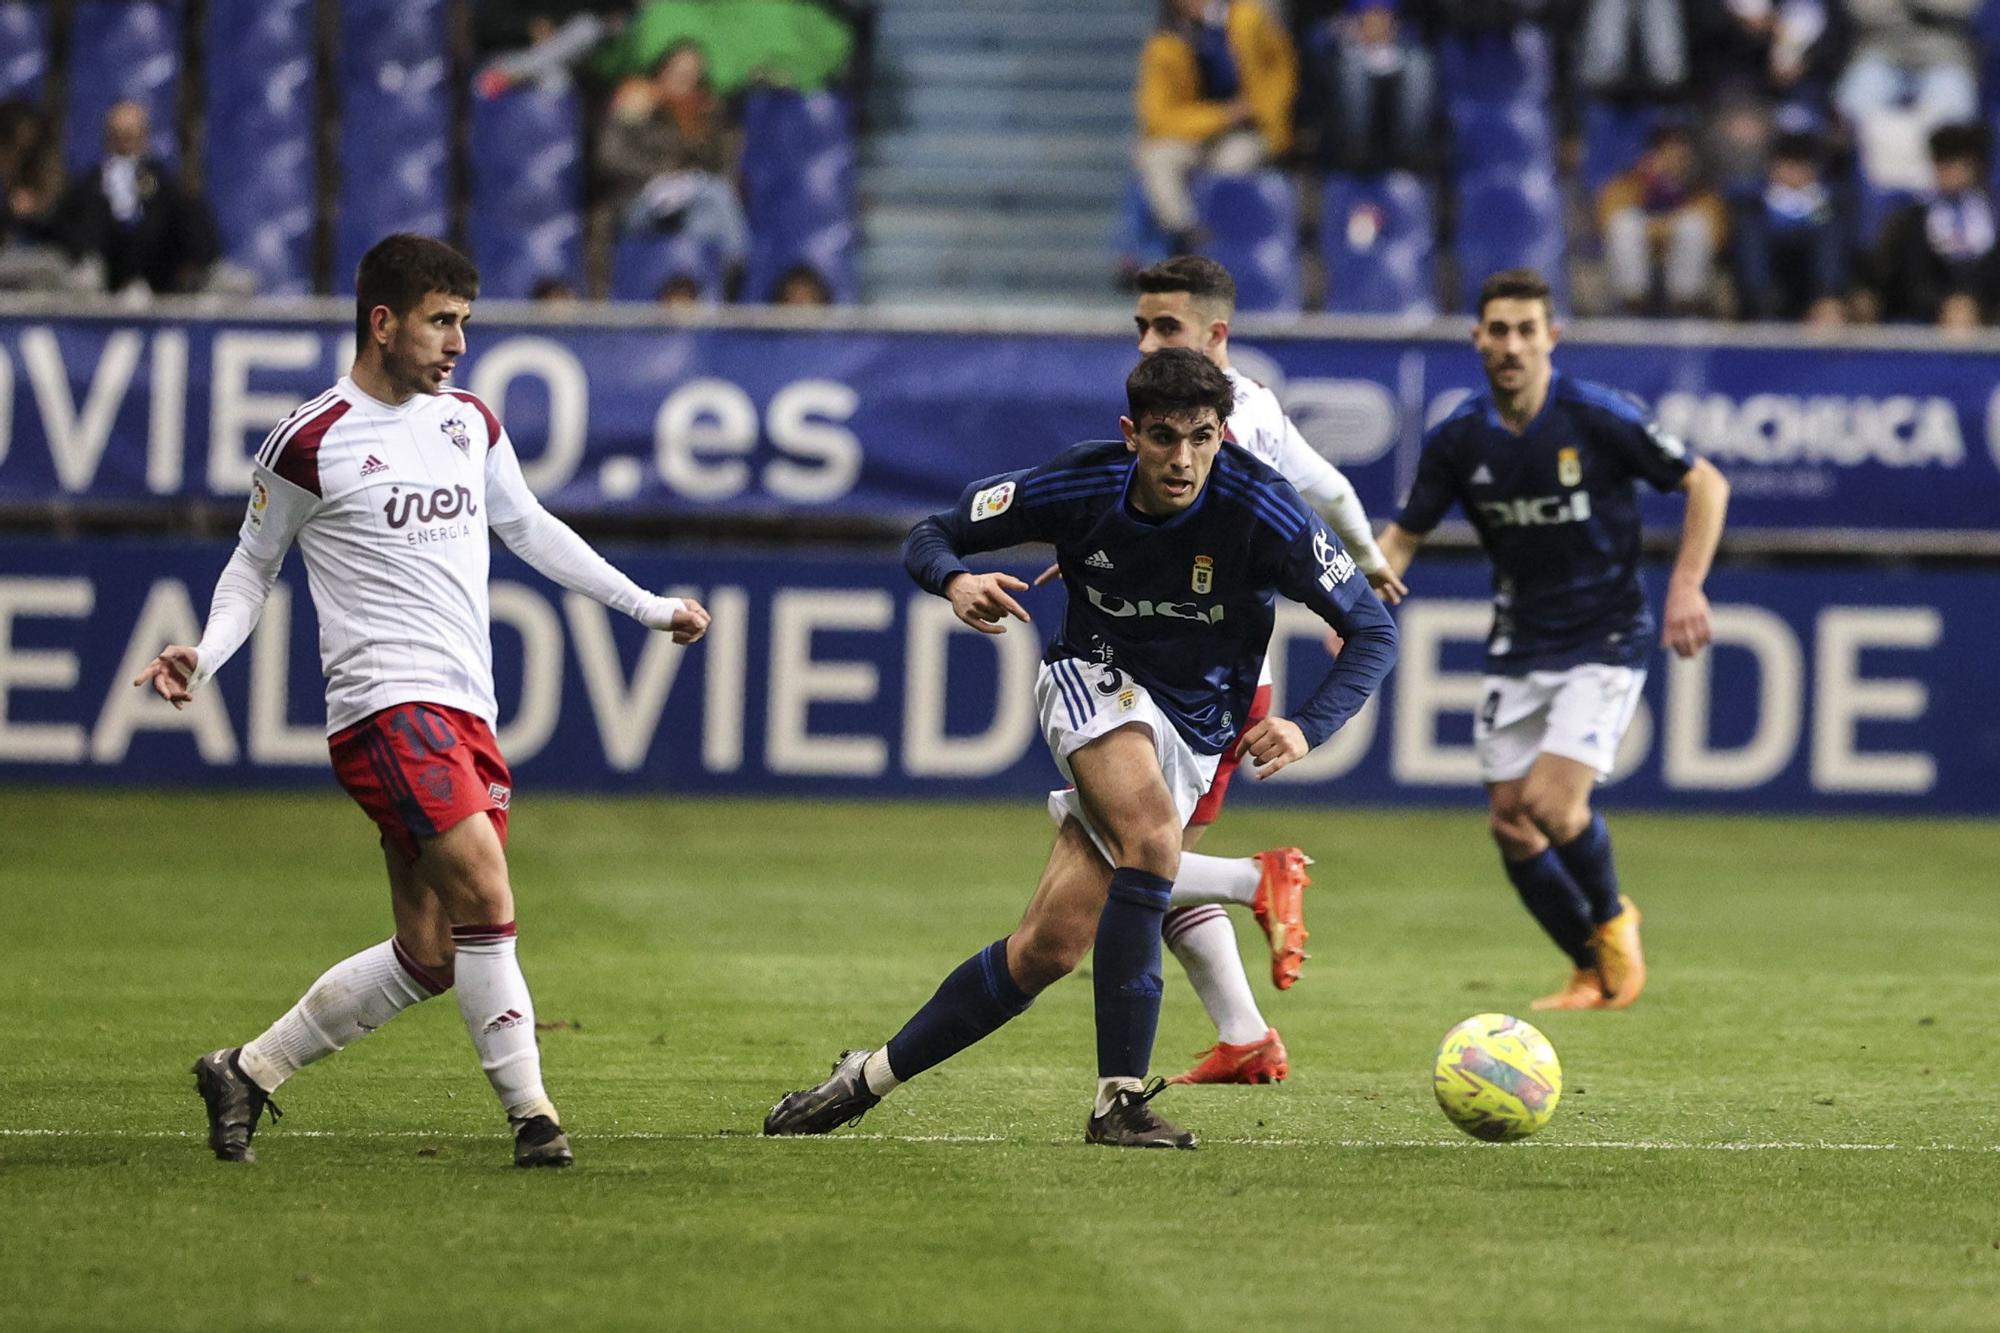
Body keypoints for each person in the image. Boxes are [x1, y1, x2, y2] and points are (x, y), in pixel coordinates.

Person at [134, 234, 710, 1167]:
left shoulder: (468, 422)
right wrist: (205, 653)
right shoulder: (310, 440)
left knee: (434, 951)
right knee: (488, 888)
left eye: (465, 324)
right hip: (383, 708)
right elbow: (252, 567)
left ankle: (247, 1068)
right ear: (382, 322)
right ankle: (535, 1119)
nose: (457, 343)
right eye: (442, 322)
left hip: (463, 711)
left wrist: (647, 606)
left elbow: (531, 527)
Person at [764, 348, 1397, 1147]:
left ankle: (864, 1078)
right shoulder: (1077, 484)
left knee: (1048, 949)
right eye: (1165, 437)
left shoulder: (1264, 509)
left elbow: (1372, 627)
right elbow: (936, 530)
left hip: (1198, 726)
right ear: (1132, 433)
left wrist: (1308, 724)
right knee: (1154, 839)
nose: (1184, 458)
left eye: (1202, 437)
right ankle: (1119, 1101)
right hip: (1092, 680)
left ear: (1221, 433)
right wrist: (955, 579)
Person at [1074, 255, 1407, 1086]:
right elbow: (1328, 483)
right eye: (1141, 327)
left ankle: (1261, 879)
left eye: (1166, 328)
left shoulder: (1232, 425)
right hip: (1180, 669)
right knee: (1146, 868)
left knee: (1134, 860)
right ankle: (1246, 1035)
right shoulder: (1249, 401)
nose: (1146, 342)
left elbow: (1287, 503)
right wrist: (1367, 560)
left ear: (1215, 335)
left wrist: (1357, 583)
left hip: (1203, 677)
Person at [1377, 268, 1729, 1010]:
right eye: (1498, 330)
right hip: (1520, 640)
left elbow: (1706, 483)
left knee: (1552, 804)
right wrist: (1359, 601)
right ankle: (1591, 970)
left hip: (1605, 632)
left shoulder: (1597, 417)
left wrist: (1688, 584)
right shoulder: (1458, 437)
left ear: (1551, 338)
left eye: (1526, 330)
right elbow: (1404, 536)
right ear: (1477, 339)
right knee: (1510, 821)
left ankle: (1612, 920)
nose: (1511, 345)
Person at [1135, 0, 1298, 250]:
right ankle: (1189, 234)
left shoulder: (1247, 18)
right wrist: (1223, 115)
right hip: (1200, 130)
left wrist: (1265, 109)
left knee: (1231, 163)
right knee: (1155, 156)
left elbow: (1282, 67)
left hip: (1249, 129)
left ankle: (1224, 240)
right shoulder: (1166, 41)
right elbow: (1157, 117)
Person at [53, 100, 222, 296]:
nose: (123, 146)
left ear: (144, 138)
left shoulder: (167, 188)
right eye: (117, 137)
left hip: (160, 292)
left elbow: (200, 240)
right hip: (99, 294)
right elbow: (62, 233)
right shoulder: (88, 188)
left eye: (130, 137)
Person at [1870, 122, 2000, 329]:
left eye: (1956, 163)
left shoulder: (1992, 213)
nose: (1949, 172)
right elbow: (1911, 279)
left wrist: (1976, 306)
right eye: (1942, 164)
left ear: (1972, 165)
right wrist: (1944, 305)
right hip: (1930, 319)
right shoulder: (1912, 219)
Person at [1596, 122, 1728, 316]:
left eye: (1680, 155)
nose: (1673, 161)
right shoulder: (1629, 182)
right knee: (1625, 224)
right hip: (1637, 272)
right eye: (1666, 153)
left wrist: (1658, 229)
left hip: (1684, 282)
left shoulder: (1702, 190)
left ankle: (1687, 310)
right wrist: (1651, 188)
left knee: (1693, 226)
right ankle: (1631, 306)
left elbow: (1717, 235)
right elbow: (1607, 223)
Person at [1728, 130, 1848, 324]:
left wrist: (1815, 206)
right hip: (1768, 271)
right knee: (1751, 232)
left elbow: (1831, 228)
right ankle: (1761, 308)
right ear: (1773, 166)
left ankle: (1827, 300)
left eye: (1801, 163)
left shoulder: (1828, 201)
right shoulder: (1753, 199)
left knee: (1830, 229)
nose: (1794, 170)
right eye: (1788, 162)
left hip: (1810, 271)